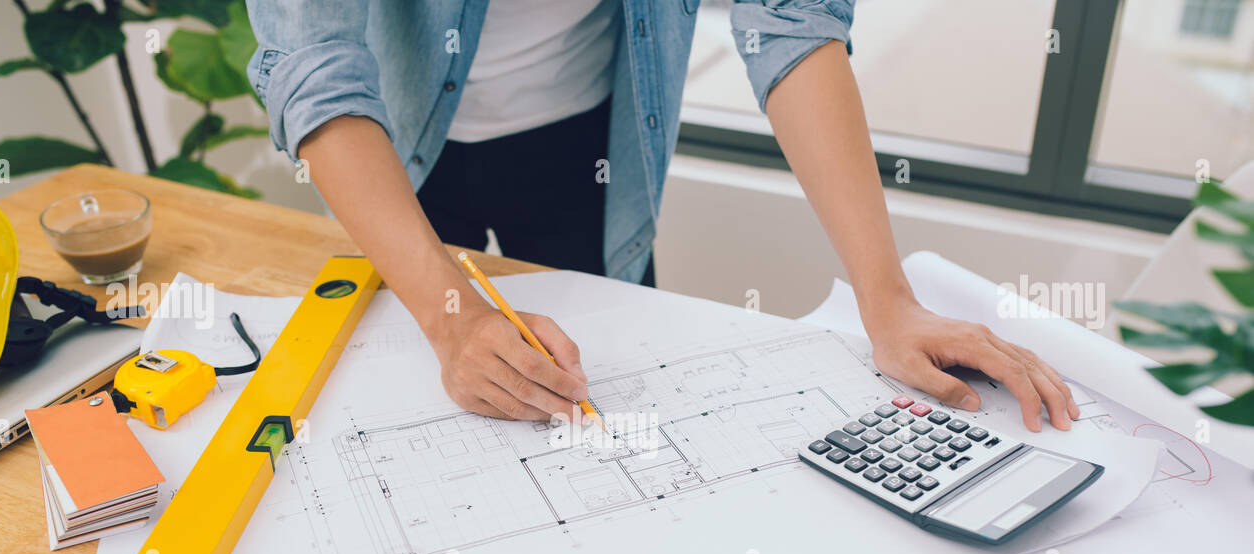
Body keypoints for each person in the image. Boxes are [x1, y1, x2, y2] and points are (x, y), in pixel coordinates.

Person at [246, 0, 1078, 432]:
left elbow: (788, 17)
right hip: (388, 153)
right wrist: (450, 313)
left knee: (597, 400)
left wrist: (885, 299)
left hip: (591, 147)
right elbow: (312, 61)